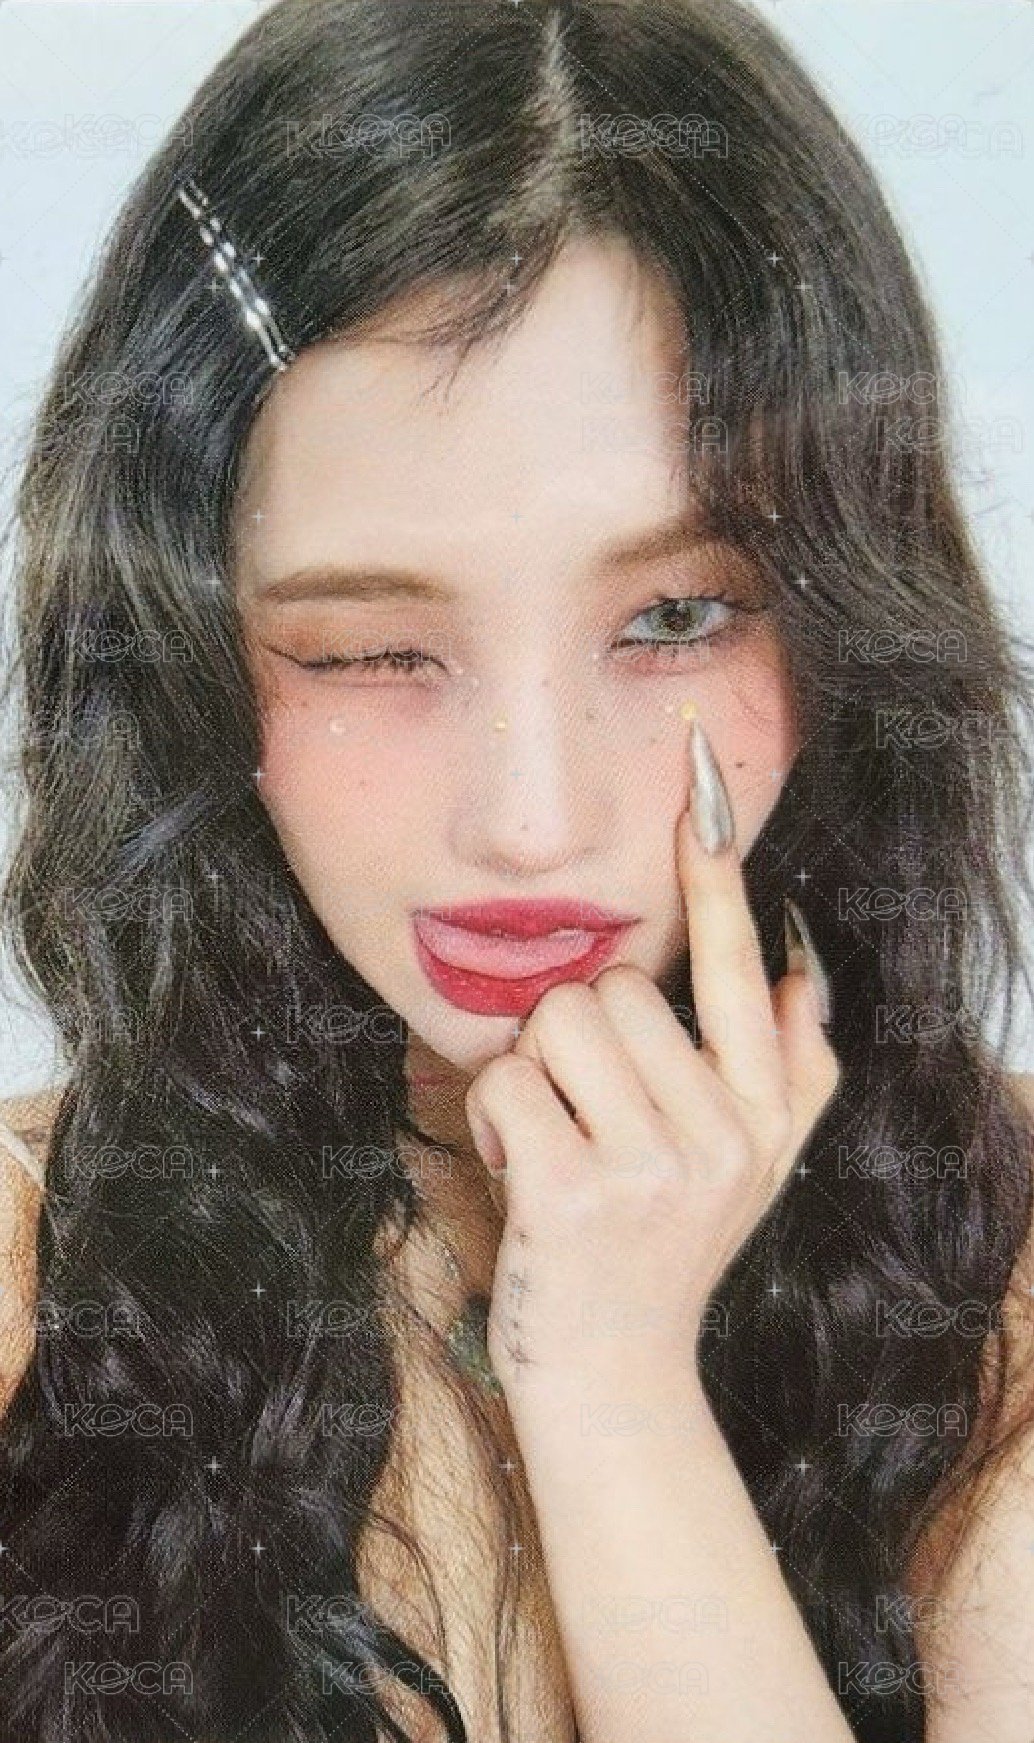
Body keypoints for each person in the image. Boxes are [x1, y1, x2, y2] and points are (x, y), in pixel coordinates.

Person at [1, 1, 1033, 1739]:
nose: (534, 822)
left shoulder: (1007, 1291)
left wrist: (614, 1381)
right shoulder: (31, 1282)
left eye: (675, 617)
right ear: (182, 663)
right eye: (367, 651)